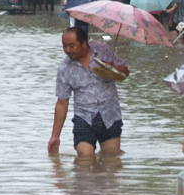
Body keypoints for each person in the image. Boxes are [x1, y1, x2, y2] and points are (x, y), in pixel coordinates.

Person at [48, 27, 130, 158]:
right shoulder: (65, 67)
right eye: (64, 46)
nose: (67, 50)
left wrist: (112, 69)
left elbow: (125, 71)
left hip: (110, 115)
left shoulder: (102, 50)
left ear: (84, 43)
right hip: (84, 118)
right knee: (85, 159)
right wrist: (55, 136)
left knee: (111, 160)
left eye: (71, 46)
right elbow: (62, 103)